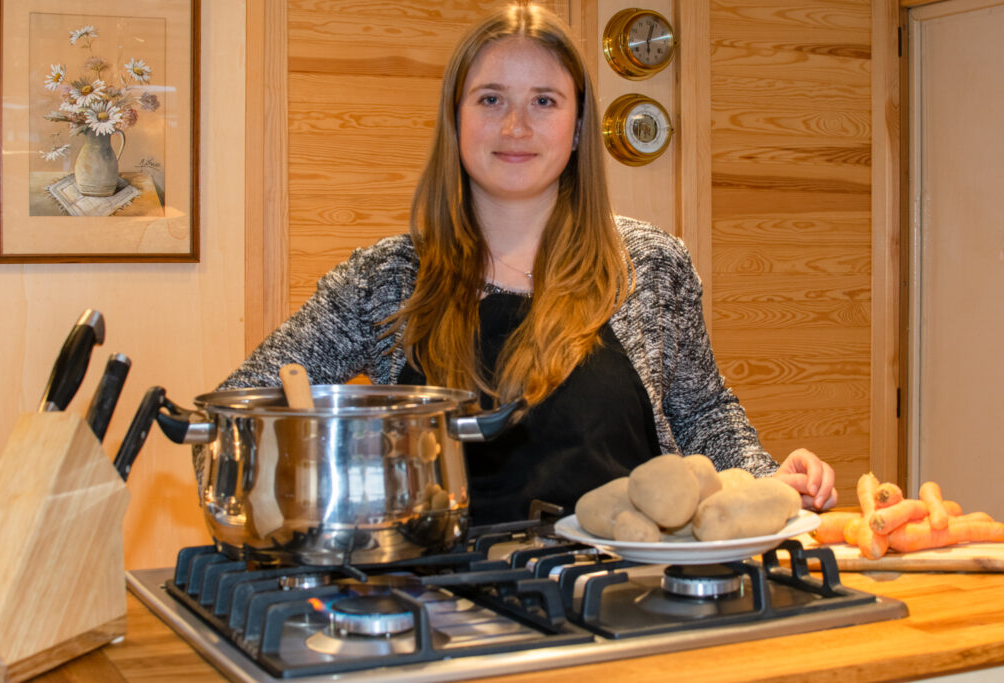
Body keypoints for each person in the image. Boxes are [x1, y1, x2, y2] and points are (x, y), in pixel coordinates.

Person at [220, 1, 837, 524]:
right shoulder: (384, 279)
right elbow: (244, 404)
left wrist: (766, 475)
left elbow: (703, 413)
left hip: (626, 597)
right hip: (433, 609)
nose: (515, 126)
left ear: (575, 129)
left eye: (544, 100)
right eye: (490, 99)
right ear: (455, 121)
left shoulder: (649, 265)